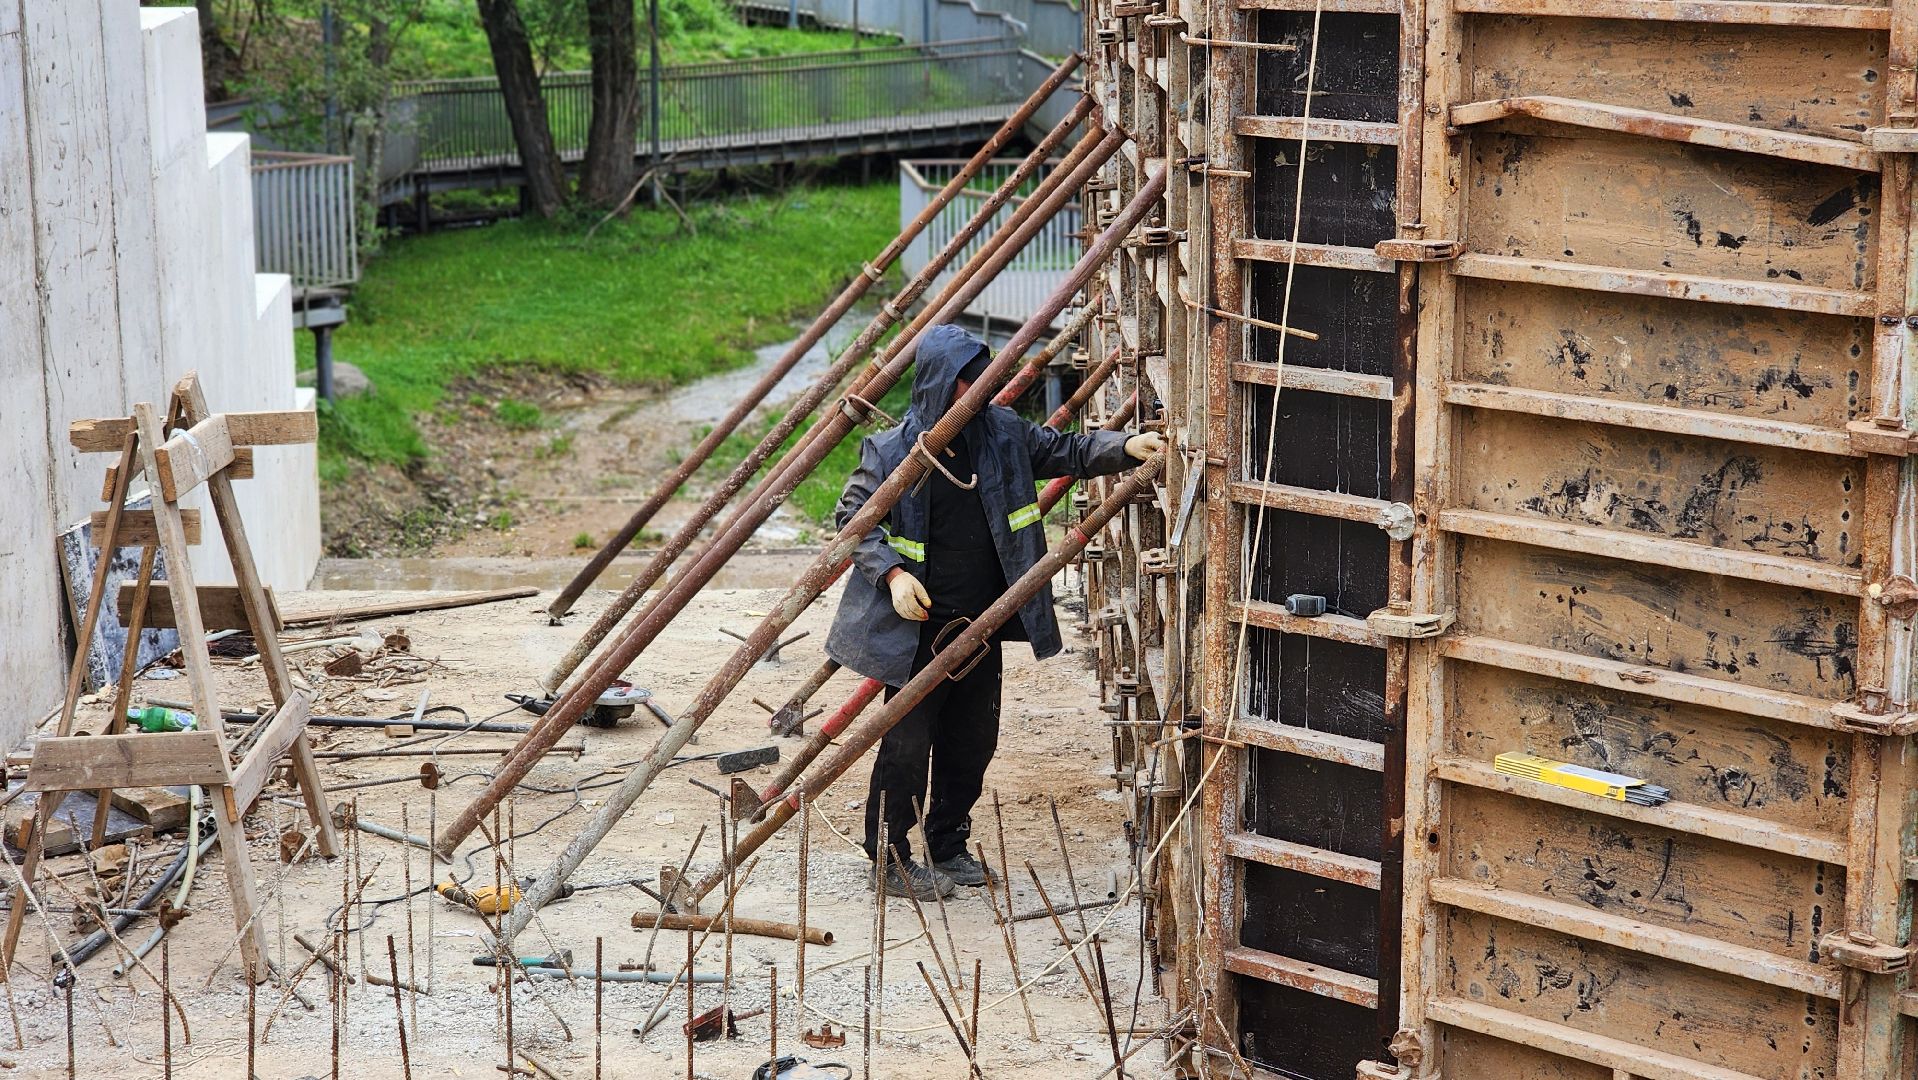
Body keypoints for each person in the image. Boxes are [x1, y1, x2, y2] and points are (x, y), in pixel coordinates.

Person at [824, 324, 1164, 899]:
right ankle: (890, 857)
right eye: (966, 381)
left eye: (981, 378)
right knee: (907, 745)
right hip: (917, 633)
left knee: (972, 739)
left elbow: (1066, 451)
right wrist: (893, 574)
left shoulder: (1002, 433)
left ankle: (948, 844)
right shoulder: (891, 452)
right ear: (940, 384)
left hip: (981, 625)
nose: (978, 390)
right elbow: (853, 520)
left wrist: (1124, 448)